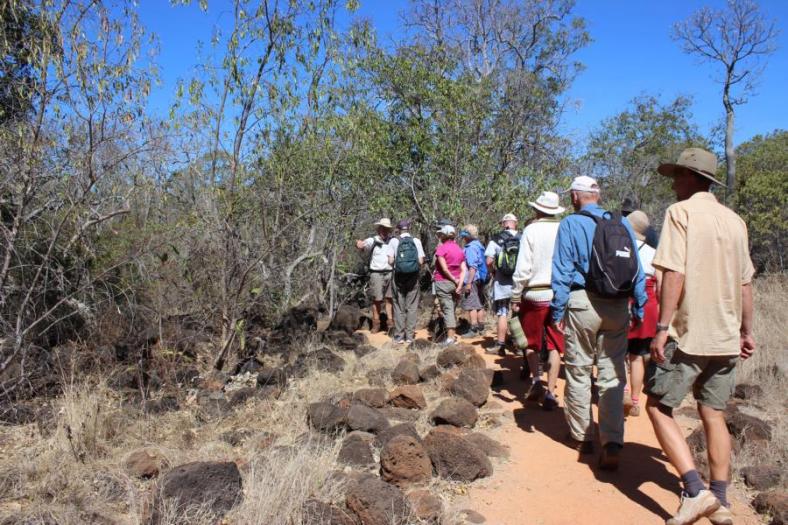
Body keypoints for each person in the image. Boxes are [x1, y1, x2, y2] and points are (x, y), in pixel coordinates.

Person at [645, 148, 755, 525]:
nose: (674, 182)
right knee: (714, 412)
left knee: (658, 407)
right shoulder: (735, 221)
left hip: (690, 334)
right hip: (726, 336)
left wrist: (662, 328)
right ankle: (720, 501)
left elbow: (673, 274)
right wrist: (746, 331)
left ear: (693, 178)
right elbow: (745, 282)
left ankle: (695, 491)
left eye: (677, 176)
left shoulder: (681, 213)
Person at [551, 175, 647, 470]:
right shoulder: (621, 224)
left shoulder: (570, 223)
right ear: (598, 195)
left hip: (583, 303)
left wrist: (557, 310)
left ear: (576, 197)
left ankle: (582, 436)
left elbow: (563, 269)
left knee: (579, 371)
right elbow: (637, 270)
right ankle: (612, 440)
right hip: (618, 306)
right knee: (612, 373)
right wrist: (639, 307)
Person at [511, 191, 565, 410]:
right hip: (558, 294)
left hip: (534, 294)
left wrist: (516, 294)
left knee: (531, 341)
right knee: (555, 344)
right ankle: (551, 392)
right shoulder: (564, 228)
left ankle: (536, 381)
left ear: (537, 209)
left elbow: (523, 266)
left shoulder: (531, 230)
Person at [623, 210, 660, 417]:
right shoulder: (654, 253)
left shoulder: (623, 249)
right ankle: (636, 401)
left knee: (619, 354)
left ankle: (623, 391)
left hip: (625, 304)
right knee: (637, 356)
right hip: (648, 306)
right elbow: (660, 286)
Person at [485, 213, 521, 356]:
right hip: (519, 282)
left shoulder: (496, 239)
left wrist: (493, 272)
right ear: (515, 223)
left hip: (502, 282)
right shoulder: (523, 237)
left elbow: (488, 261)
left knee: (503, 313)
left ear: (503, 224)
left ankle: (500, 346)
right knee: (518, 313)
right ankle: (519, 346)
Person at [388, 220, 426, 344]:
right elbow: (421, 261)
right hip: (413, 277)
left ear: (398, 229)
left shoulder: (394, 241)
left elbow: (390, 261)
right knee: (412, 306)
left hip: (398, 277)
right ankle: (409, 337)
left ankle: (399, 336)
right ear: (409, 228)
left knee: (398, 306)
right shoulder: (416, 241)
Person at [355, 218, 395, 333]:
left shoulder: (392, 241)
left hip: (390, 273)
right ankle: (376, 323)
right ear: (379, 229)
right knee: (377, 299)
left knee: (389, 299)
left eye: (386, 229)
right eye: (382, 228)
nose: (384, 231)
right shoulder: (372, 240)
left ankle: (390, 323)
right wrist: (359, 245)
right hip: (376, 274)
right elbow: (363, 245)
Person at [432, 224, 467, 345]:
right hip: (455, 284)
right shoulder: (459, 249)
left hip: (443, 282)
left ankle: (450, 339)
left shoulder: (441, 249)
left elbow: (445, 269)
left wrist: (454, 280)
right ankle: (450, 336)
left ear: (444, 235)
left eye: (441, 234)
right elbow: (464, 269)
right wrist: (459, 283)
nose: (439, 236)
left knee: (447, 309)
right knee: (451, 309)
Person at [459, 224, 487, 338]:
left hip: (473, 279)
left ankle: (473, 329)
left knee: (471, 305)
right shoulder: (479, 245)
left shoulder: (470, 248)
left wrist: (469, 283)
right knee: (479, 303)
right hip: (481, 278)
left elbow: (472, 267)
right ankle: (481, 328)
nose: (463, 238)